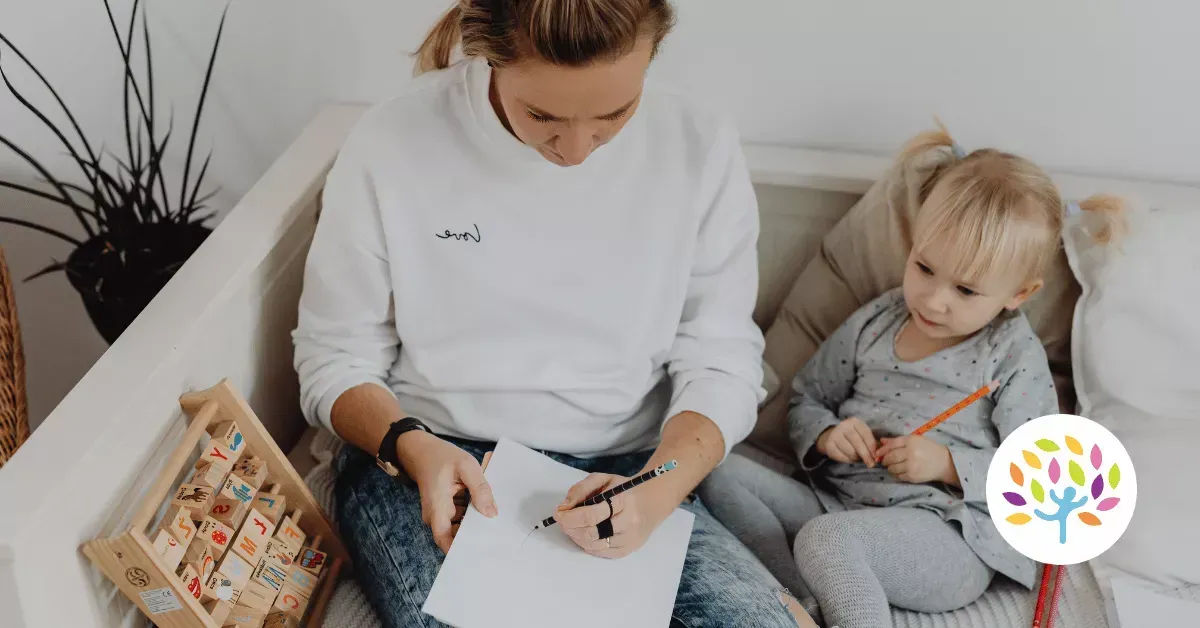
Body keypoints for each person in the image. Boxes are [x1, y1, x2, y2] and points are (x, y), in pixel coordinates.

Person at [291, 1, 815, 626]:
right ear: (489, 52)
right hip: (434, 457)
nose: (576, 150)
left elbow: (722, 356)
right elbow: (334, 356)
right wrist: (410, 446)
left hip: (627, 469)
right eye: (542, 115)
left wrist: (660, 484)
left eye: (613, 114)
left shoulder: (698, 144)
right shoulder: (391, 141)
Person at [696, 123, 1127, 628]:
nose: (933, 299)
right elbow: (807, 398)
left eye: (966, 291)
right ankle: (799, 606)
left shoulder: (1010, 356)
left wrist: (947, 464)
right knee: (711, 465)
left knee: (826, 541)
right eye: (924, 268)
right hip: (835, 502)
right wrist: (828, 435)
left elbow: (1040, 478)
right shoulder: (879, 319)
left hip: (946, 534)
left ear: (1019, 294)